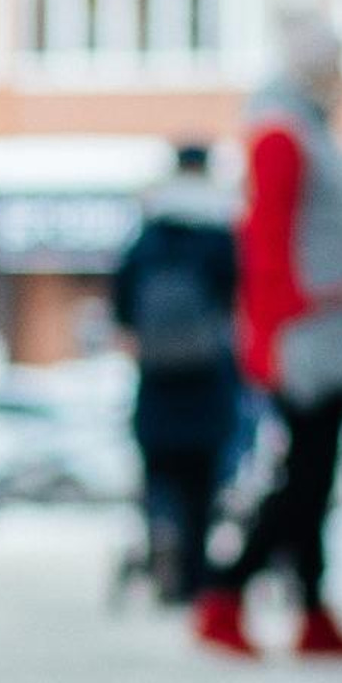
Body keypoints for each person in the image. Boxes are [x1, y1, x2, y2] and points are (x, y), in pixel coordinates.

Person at [194, 9, 342, 658]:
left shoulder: (314, 134)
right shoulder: (281, 134)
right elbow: (263, 243)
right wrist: (271, 335)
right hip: (302, 338)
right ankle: (226, 594)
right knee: (300, 479)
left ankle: (311, 608)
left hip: (327, 330)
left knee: (314, 478)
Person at [111, 143, 241, 606]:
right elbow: (236, 298)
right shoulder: (218, 233)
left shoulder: (147, 238)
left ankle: (161, 548)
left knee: (159, 479)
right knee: (203, 483)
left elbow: (122, 308)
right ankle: (193, 573)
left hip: (157, 381)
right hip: (207, 381)